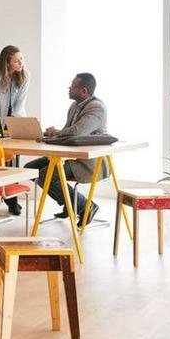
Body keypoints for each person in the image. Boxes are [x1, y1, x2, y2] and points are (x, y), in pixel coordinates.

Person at [24, 72, 109, 228]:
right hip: (70, 156)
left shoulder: (97, 108)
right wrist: (46, 138)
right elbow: (68, 133)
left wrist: (55, 132)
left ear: (84, 91)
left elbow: (77, 132)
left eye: (73, 86)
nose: (69, 88)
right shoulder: (75, 106)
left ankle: (85, 206)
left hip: (88, 161)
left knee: (45, 174)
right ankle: (70, 204)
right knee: (30, 169)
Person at [0, 45, 30, 216]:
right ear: (7, 62)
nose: (21, 63)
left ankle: (12, 199)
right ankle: (6, 196)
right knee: (0, 159)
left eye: (22, 59)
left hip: (16, 119)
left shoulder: (25, 75)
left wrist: (14, 125)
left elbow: (21, 103)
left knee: (14, 160)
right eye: (16, 60)